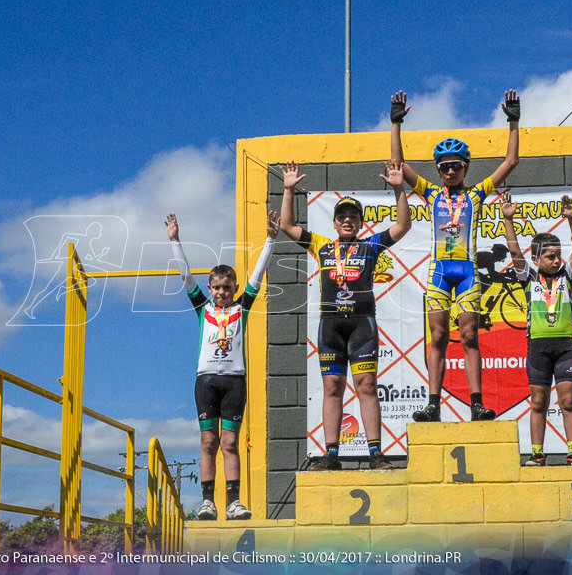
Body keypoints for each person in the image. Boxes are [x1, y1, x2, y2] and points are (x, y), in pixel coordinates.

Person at [390, 89, 520, 422]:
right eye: (445, 166)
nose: (450, 172)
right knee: (437, 335)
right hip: (439, 271)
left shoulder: (477, 195)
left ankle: (476, 403)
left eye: (456, 167)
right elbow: (399, 165)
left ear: (465, 169)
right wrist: (396, 123)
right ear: (438, 169)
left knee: (469, 336)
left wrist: (513, 122)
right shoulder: (430, 193)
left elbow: (510, 162)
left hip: (467, 272)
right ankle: (433, 403)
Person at [281, 159, 411, 470]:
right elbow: (287, 226)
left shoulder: (370, 246)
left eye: (354, 216)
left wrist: (398, 189)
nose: (348, 220)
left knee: (366, 384)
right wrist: (288, 190)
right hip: (331, 327)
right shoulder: (322, 246)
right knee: (332, 387)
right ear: (335, 223)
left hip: (362, 326)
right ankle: (331, 454)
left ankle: (376, 453)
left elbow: (403, 226)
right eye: (343, 217)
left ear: (361, 223)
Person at [165, 209, 279, 521]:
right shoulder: (203, 309)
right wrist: (175, 240)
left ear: (234, 289)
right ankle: (206, 502)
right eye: (216, 287)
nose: (221, 292)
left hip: (234, 382)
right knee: (208, 441)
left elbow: (257, 275)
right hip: (205, 382)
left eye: (226, 288)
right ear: (210, 288)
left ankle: (233, 502)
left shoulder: (241, 308)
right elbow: (186, 277)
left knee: (229, 442)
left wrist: (270, 239)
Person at [500, 190, 572, 466]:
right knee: (538, 403)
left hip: (565, 347)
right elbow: (514, 249)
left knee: (568, 401)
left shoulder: (567, 276)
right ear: (536, 259)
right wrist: (508, 219)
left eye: (558, 255)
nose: (556, 260)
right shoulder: (528, 276)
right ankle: (537, 454)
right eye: (549, 256)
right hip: (538, 346)